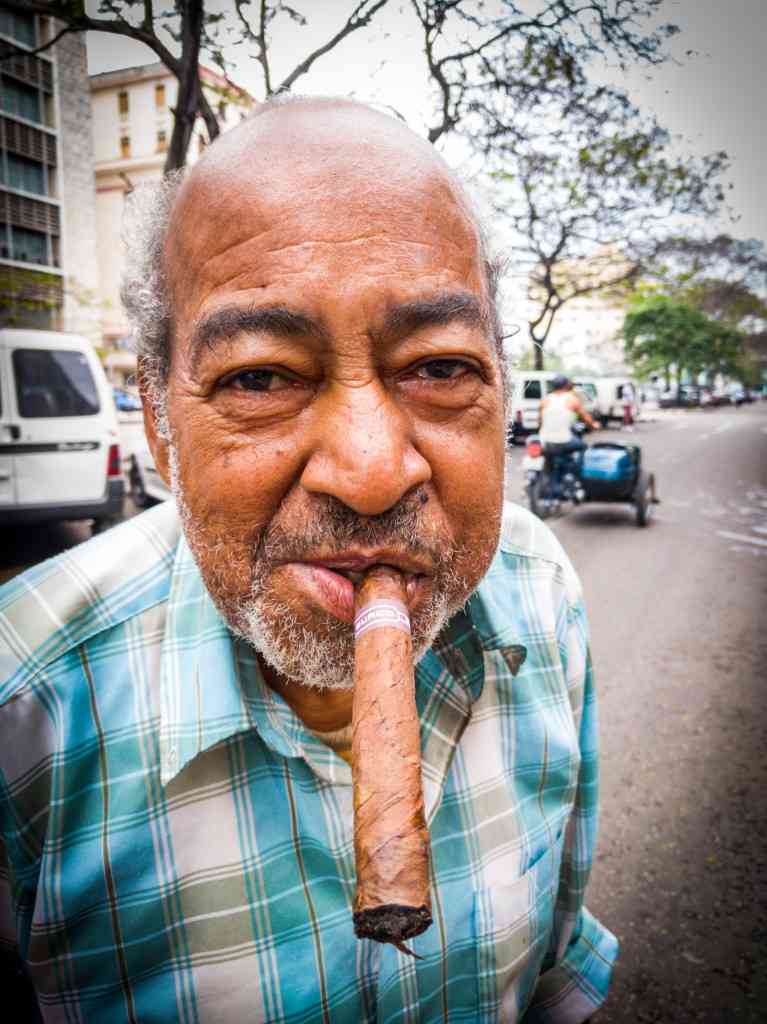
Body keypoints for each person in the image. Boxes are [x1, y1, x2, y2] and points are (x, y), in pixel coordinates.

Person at [0, 98, 617, 1023]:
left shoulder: (538, 591)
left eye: (439, 367)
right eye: (259, 377)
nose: (371, 474)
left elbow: (555, 979)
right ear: (160, 430)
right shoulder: (21, 711)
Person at [539, 375, 599, 456]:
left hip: (544, 441)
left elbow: (540, 421)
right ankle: (577, 464)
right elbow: (587, 418)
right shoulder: (572, 399)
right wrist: (593, 425)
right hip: (564, 440)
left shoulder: (545, 400)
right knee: (583, 446)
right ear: (567, 385)